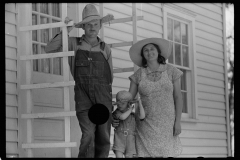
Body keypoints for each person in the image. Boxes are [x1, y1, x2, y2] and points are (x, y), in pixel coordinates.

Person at [45, 4, 114, 158]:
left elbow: (110, 76)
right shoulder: (74, 43)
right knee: (89, 134)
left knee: (103, 137)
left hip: (103, 96)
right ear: (83, 27)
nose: (92, 27)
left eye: (95, 24)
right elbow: (49, 48)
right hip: (83, 96)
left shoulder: (105, 48)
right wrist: (67, 29)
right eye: (88, 24)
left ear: (100, 26)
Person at [112, 38, 183, 157]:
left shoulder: (172, 71)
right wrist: (115, 116)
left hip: (167, 123)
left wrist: (178, 122)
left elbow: (178, 97)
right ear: (143, 55)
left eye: (152, 49)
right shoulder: (138, 74)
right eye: (146, 50)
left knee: (167, 154)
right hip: (144, 123)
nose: (149, 52)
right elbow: (128, 100)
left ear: (158, 51)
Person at [112, 91, 145, 158]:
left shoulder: (132, 115)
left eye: (123, 103)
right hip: (119, 139)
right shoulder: (117, 112)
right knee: (118, 155)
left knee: (130, 156)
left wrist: (140, 103)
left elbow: (142, 116)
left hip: (131, 140)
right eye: (118, 104)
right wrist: (130, 110)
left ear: (128, 103)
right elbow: (122, 117)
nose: (120, 105)